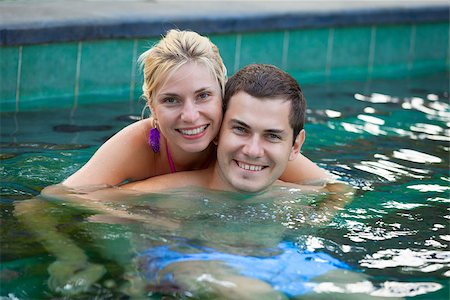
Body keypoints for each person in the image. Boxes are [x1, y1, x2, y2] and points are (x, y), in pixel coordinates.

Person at [62, 29, 330, 189]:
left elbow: (333, 188)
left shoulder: (244, 141)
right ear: (152, 108)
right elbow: (60, 199)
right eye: (171, 100)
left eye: (203, 96)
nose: (190, 116)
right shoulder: (137, 145)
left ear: (222, 95)